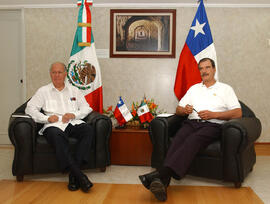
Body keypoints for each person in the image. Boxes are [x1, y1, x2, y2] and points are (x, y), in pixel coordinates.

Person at [139, 58, 242, 201]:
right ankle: (160, 183)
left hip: (213, 125)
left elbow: (238, 113)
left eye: (207, 68)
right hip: (191, 123)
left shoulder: (225, 89)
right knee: (176, 143)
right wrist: (185, 110)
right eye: (201, 68)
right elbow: (178, 109)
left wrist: (215, 114)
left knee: (193, 141)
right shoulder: (194, 88)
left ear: (214, 69)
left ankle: (157, 175)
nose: (204, 71)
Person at [25, 62, 94, 192]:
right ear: (50, 74)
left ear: (65, 74)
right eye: (54, 72)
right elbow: (30, 108)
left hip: (72, 123)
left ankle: (74, 176)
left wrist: (74, 114)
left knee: (88, 130)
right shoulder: (43, 91)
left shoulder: (74, 90)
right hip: (53, 126)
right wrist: (46, 118)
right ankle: (80, 176)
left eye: (60, 72)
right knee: (56, 136)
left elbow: (86, 107)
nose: (57, 75)